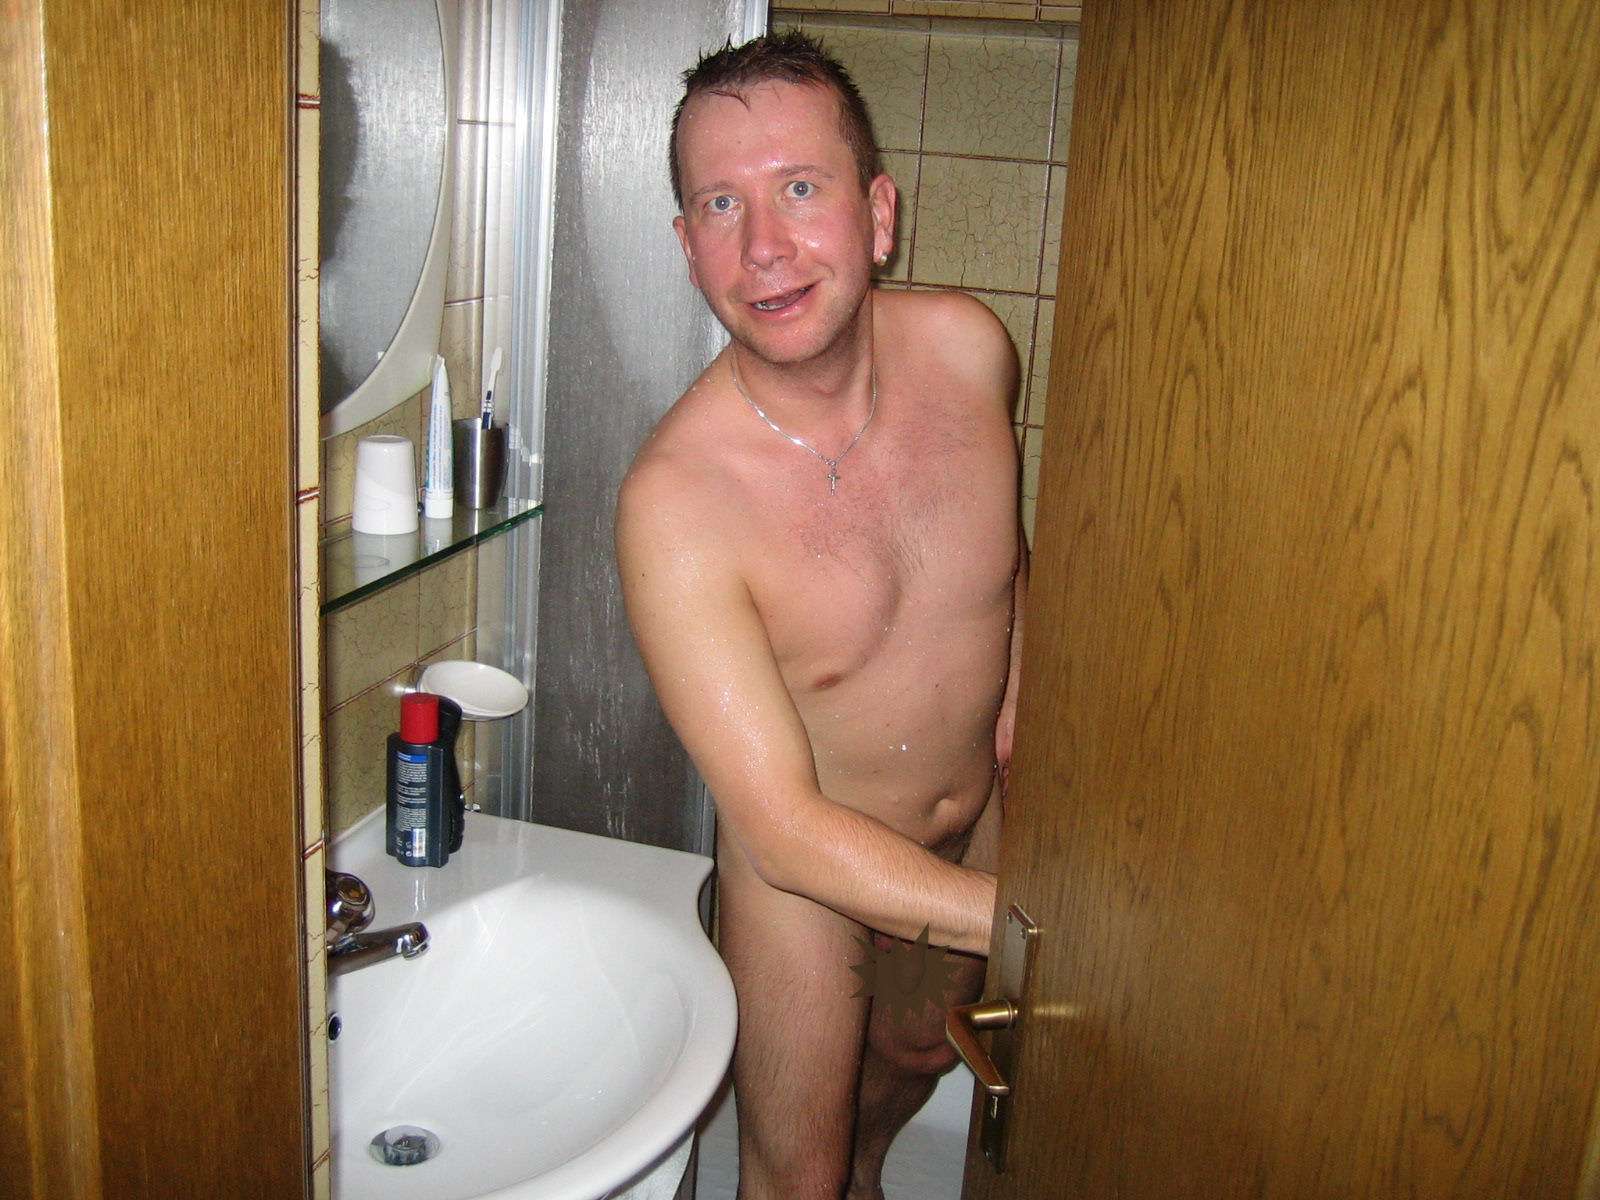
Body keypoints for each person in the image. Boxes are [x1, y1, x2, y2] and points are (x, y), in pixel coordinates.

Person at [616, 32, 1026, 1200]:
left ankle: (869, 1171)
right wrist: (1027, 923)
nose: (764, 246)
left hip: (973, 819)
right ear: (688, 248)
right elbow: (784, 827)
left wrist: (1019, 697)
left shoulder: (970, 352)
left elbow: (1010, 557)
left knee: (915, 1054)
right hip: (806, 874)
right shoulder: (677, 504)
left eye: (800, 187)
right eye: (721, 204)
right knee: (793, 1177)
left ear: (877, 215)